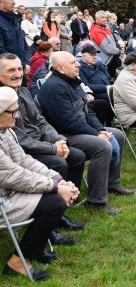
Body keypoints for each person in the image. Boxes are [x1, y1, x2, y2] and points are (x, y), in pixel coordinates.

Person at [37, 52, 132, 215]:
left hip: (79, 130)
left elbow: (89, 112)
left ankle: (112, 183)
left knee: (118, 135)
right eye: (73, 62)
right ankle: (96, 200)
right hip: (64, 136)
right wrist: (96, 134)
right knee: (102, 146)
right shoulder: (54, 87)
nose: (78, 64)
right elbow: (67, 123)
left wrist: (100, 129)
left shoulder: (73, 82)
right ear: (60, 68)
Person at [0, 86, 79, 281]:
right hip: (3, 199)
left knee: (55, 195)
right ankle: (17, 263)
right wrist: (55, 187)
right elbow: (13, 175)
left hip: (9, 191)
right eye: (12, 112)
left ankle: (35, 248)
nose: (17, 116)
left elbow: (24, 161)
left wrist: (58, 180)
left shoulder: (5, 131)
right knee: (54, 202)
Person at [0, 0, 28, 67]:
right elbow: (1, 49)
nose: (14, 2)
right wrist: (20, 65)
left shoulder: (15, 19)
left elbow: (24, 44)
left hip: (22, 67)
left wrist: (26, 62)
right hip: (7, 68)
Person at [90, 10, 121, 78]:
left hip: (111, 58)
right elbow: (107, 48)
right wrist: (119, 51)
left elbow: (112, 43)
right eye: (102, 17)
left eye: (105, 17)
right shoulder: (96, 31)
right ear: (96, 19)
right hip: (106, 62)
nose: (105, 19)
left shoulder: (105, 28)